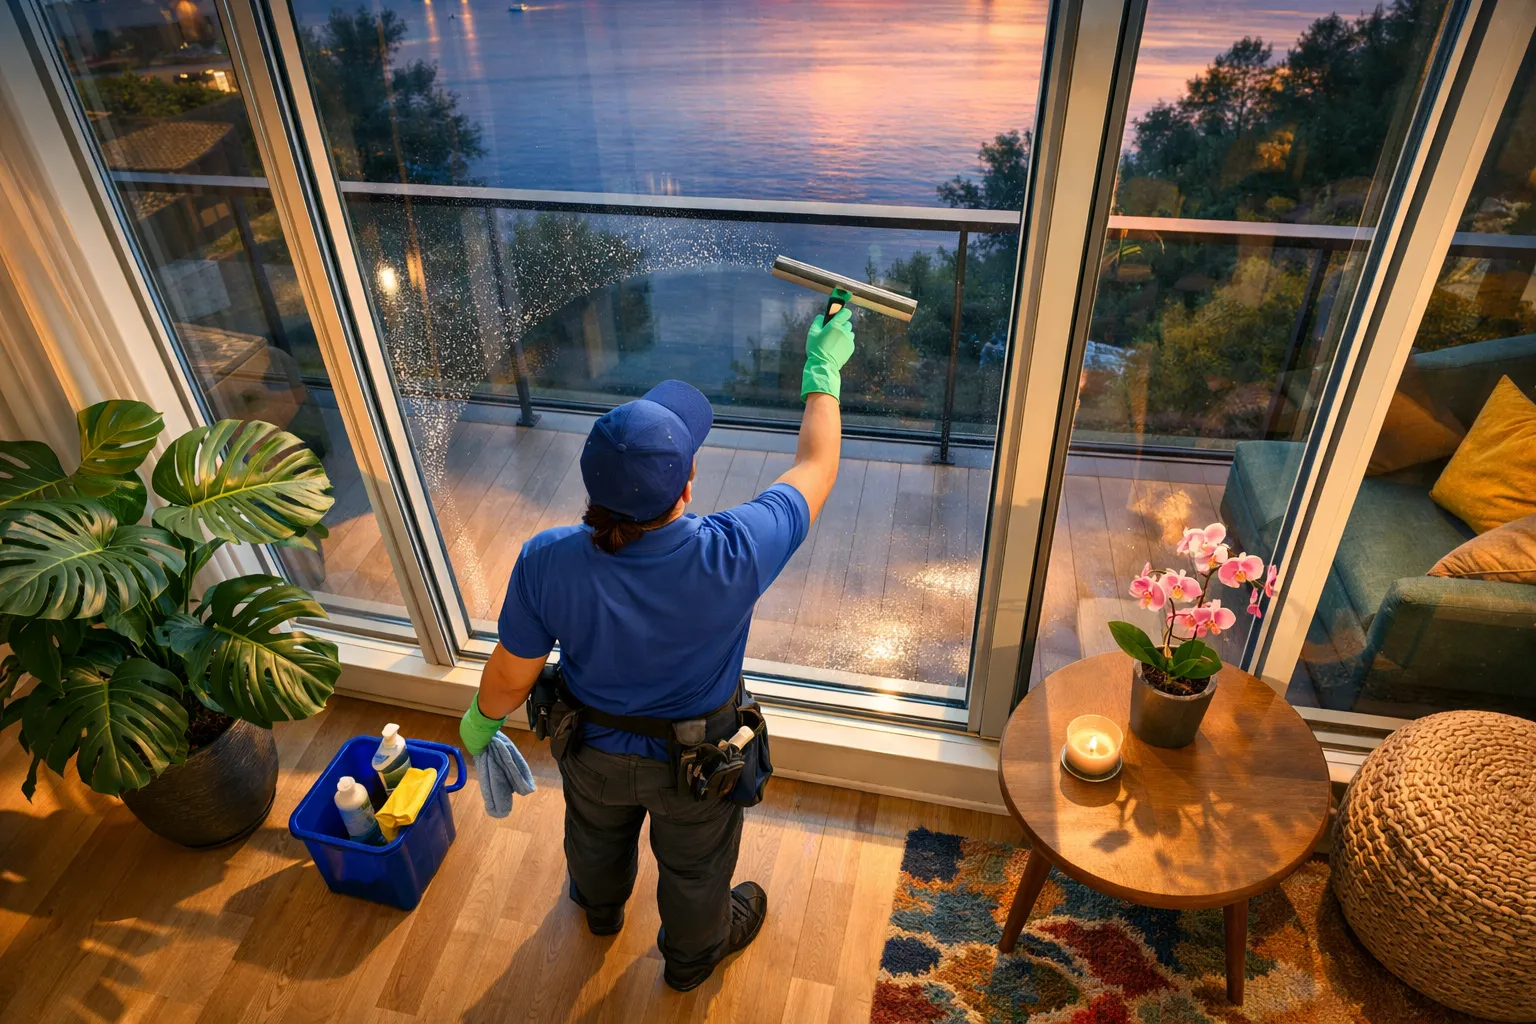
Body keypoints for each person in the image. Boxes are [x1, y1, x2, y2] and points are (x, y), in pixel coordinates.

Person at [457, 305, 856, 991]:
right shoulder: (737, 551)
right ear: (688, 483)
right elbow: (817, 464)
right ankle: (692, 956)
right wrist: (823, 372)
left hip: (592, 752)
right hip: (696, 766)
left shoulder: (546, 560)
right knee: (697, 869)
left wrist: (480, 722)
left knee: (593, 837)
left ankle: (602, 908)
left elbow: (512, 672)